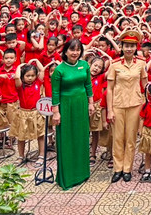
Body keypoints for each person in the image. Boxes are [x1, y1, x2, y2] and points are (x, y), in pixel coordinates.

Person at [50, 39, 95, 190]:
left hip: (81, 104)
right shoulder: (59, 70)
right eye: (72, 50)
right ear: (65, 51)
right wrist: (56, 113)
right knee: (67, 139)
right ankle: (68, 177)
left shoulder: (85, 65)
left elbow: (88, 85)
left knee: (81, 137)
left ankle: (82, 173)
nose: (75, 53)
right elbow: (55, 92)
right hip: (66, 106)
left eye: (78, 50)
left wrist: (91, 103)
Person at [106, 30, 146, 183]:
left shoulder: (141, 63)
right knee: (117, 138)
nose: (129, 49)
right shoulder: (115, 65)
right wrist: (109, 110)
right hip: (117, 104)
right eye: (126, 46)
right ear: (121, 47)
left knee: (130, 138)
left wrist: (147, 106)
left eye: (132, 46)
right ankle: (118, 168)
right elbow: (109, 88)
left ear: (136, 47)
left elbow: (145, 85)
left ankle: (127, 168)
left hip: (135, 104)